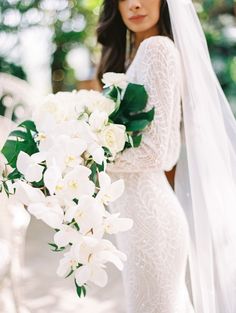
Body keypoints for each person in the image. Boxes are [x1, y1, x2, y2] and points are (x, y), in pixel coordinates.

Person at [96, 1, 236, 313]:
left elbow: (158, 153)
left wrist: (88, 156)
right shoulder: (137, 56)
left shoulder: (158, 49)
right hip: (136, 222)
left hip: (151, 223)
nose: (134, 4)